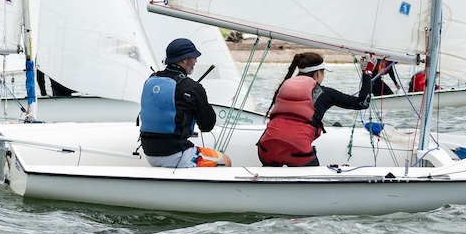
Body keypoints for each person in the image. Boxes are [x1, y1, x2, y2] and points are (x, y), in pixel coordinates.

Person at [256, 52, 385, 167]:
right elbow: (362, 103)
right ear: (318, 73)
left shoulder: (284, 86)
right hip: (299, 151)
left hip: (266, 147)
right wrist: (367, 72)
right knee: (312, 188)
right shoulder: (324, 93)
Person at [137, 37, 228, 167]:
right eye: (194, 57)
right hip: (176, 154)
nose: (196, 61)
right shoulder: (192, 87)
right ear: (184, 60)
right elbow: (207, 126)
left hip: (149, 152)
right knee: (225, 160)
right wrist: (200, 102)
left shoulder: (151, 80)